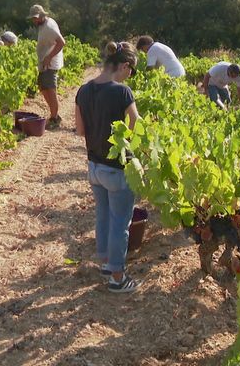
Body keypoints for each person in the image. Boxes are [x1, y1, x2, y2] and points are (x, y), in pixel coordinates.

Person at [75, 41, 141, 293]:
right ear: (124, 65)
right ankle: (117, 277)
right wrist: (130, 148)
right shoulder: (122, 92)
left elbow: (80, 130)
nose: (129, 77)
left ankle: (104, 263)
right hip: (117, 168)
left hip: (94, 167)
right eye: (130, 71)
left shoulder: (83, 90)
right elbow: (136, 123)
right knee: (119, 223)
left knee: (102, 214)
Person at [28, 4, 66, 129]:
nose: (34, 20)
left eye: (36, 18)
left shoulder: (49, 26)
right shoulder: (43, 24)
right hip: (44, 62)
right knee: (43, 88)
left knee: (50, 90)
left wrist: (49, 57)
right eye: (33, 18)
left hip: (50, 63)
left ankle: (55, 119)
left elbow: (61, 43)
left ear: (42, 15)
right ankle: (54, 115)